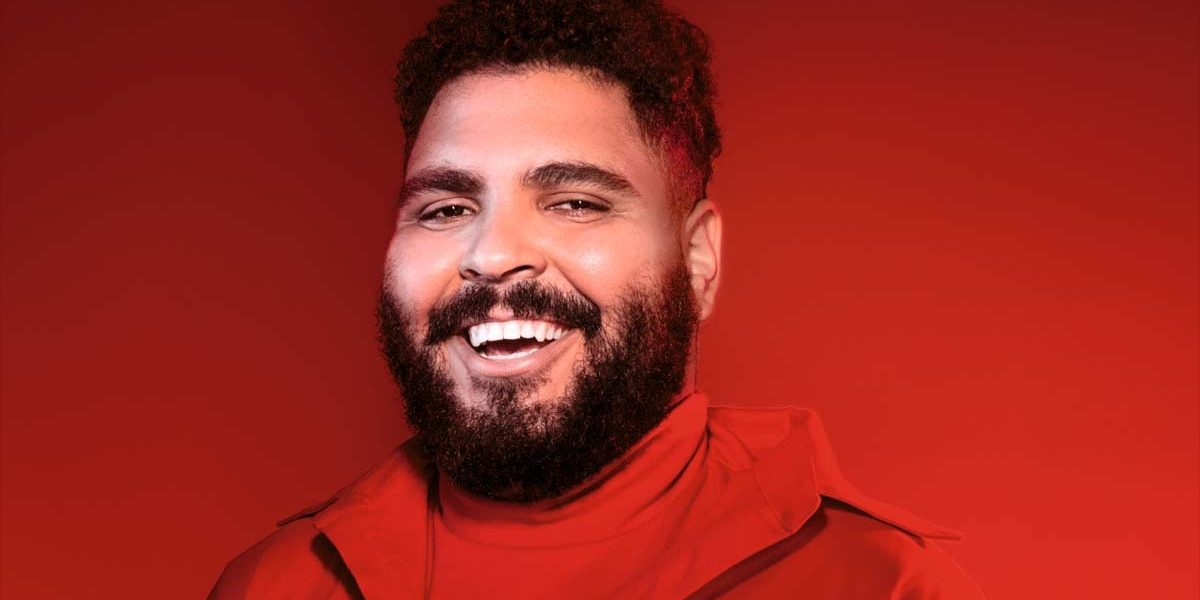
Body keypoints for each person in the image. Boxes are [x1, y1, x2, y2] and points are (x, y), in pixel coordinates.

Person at [209, 0, 984, 597]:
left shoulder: (881, 585)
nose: (492, 255)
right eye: (446, 209)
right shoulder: (272, 586)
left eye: (575, 202)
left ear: (698, 261)